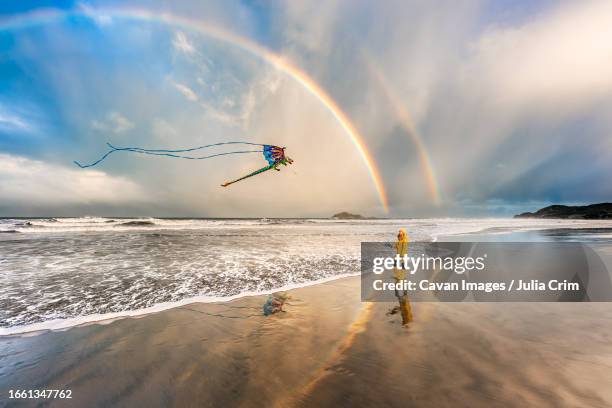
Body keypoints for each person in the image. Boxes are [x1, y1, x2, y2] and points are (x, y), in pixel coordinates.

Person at [393, 228, 413, 324]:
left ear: (404, 234)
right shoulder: (399, 240)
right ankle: (401, 279)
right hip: (399, 256)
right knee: (398, 268)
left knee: (399, 268)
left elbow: (403, 251)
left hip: (402, 257)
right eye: (399, 233)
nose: (400, 234)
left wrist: (400, 257)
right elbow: (396, 247)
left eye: (401, 233)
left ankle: (401, 280)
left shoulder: (404, 241)